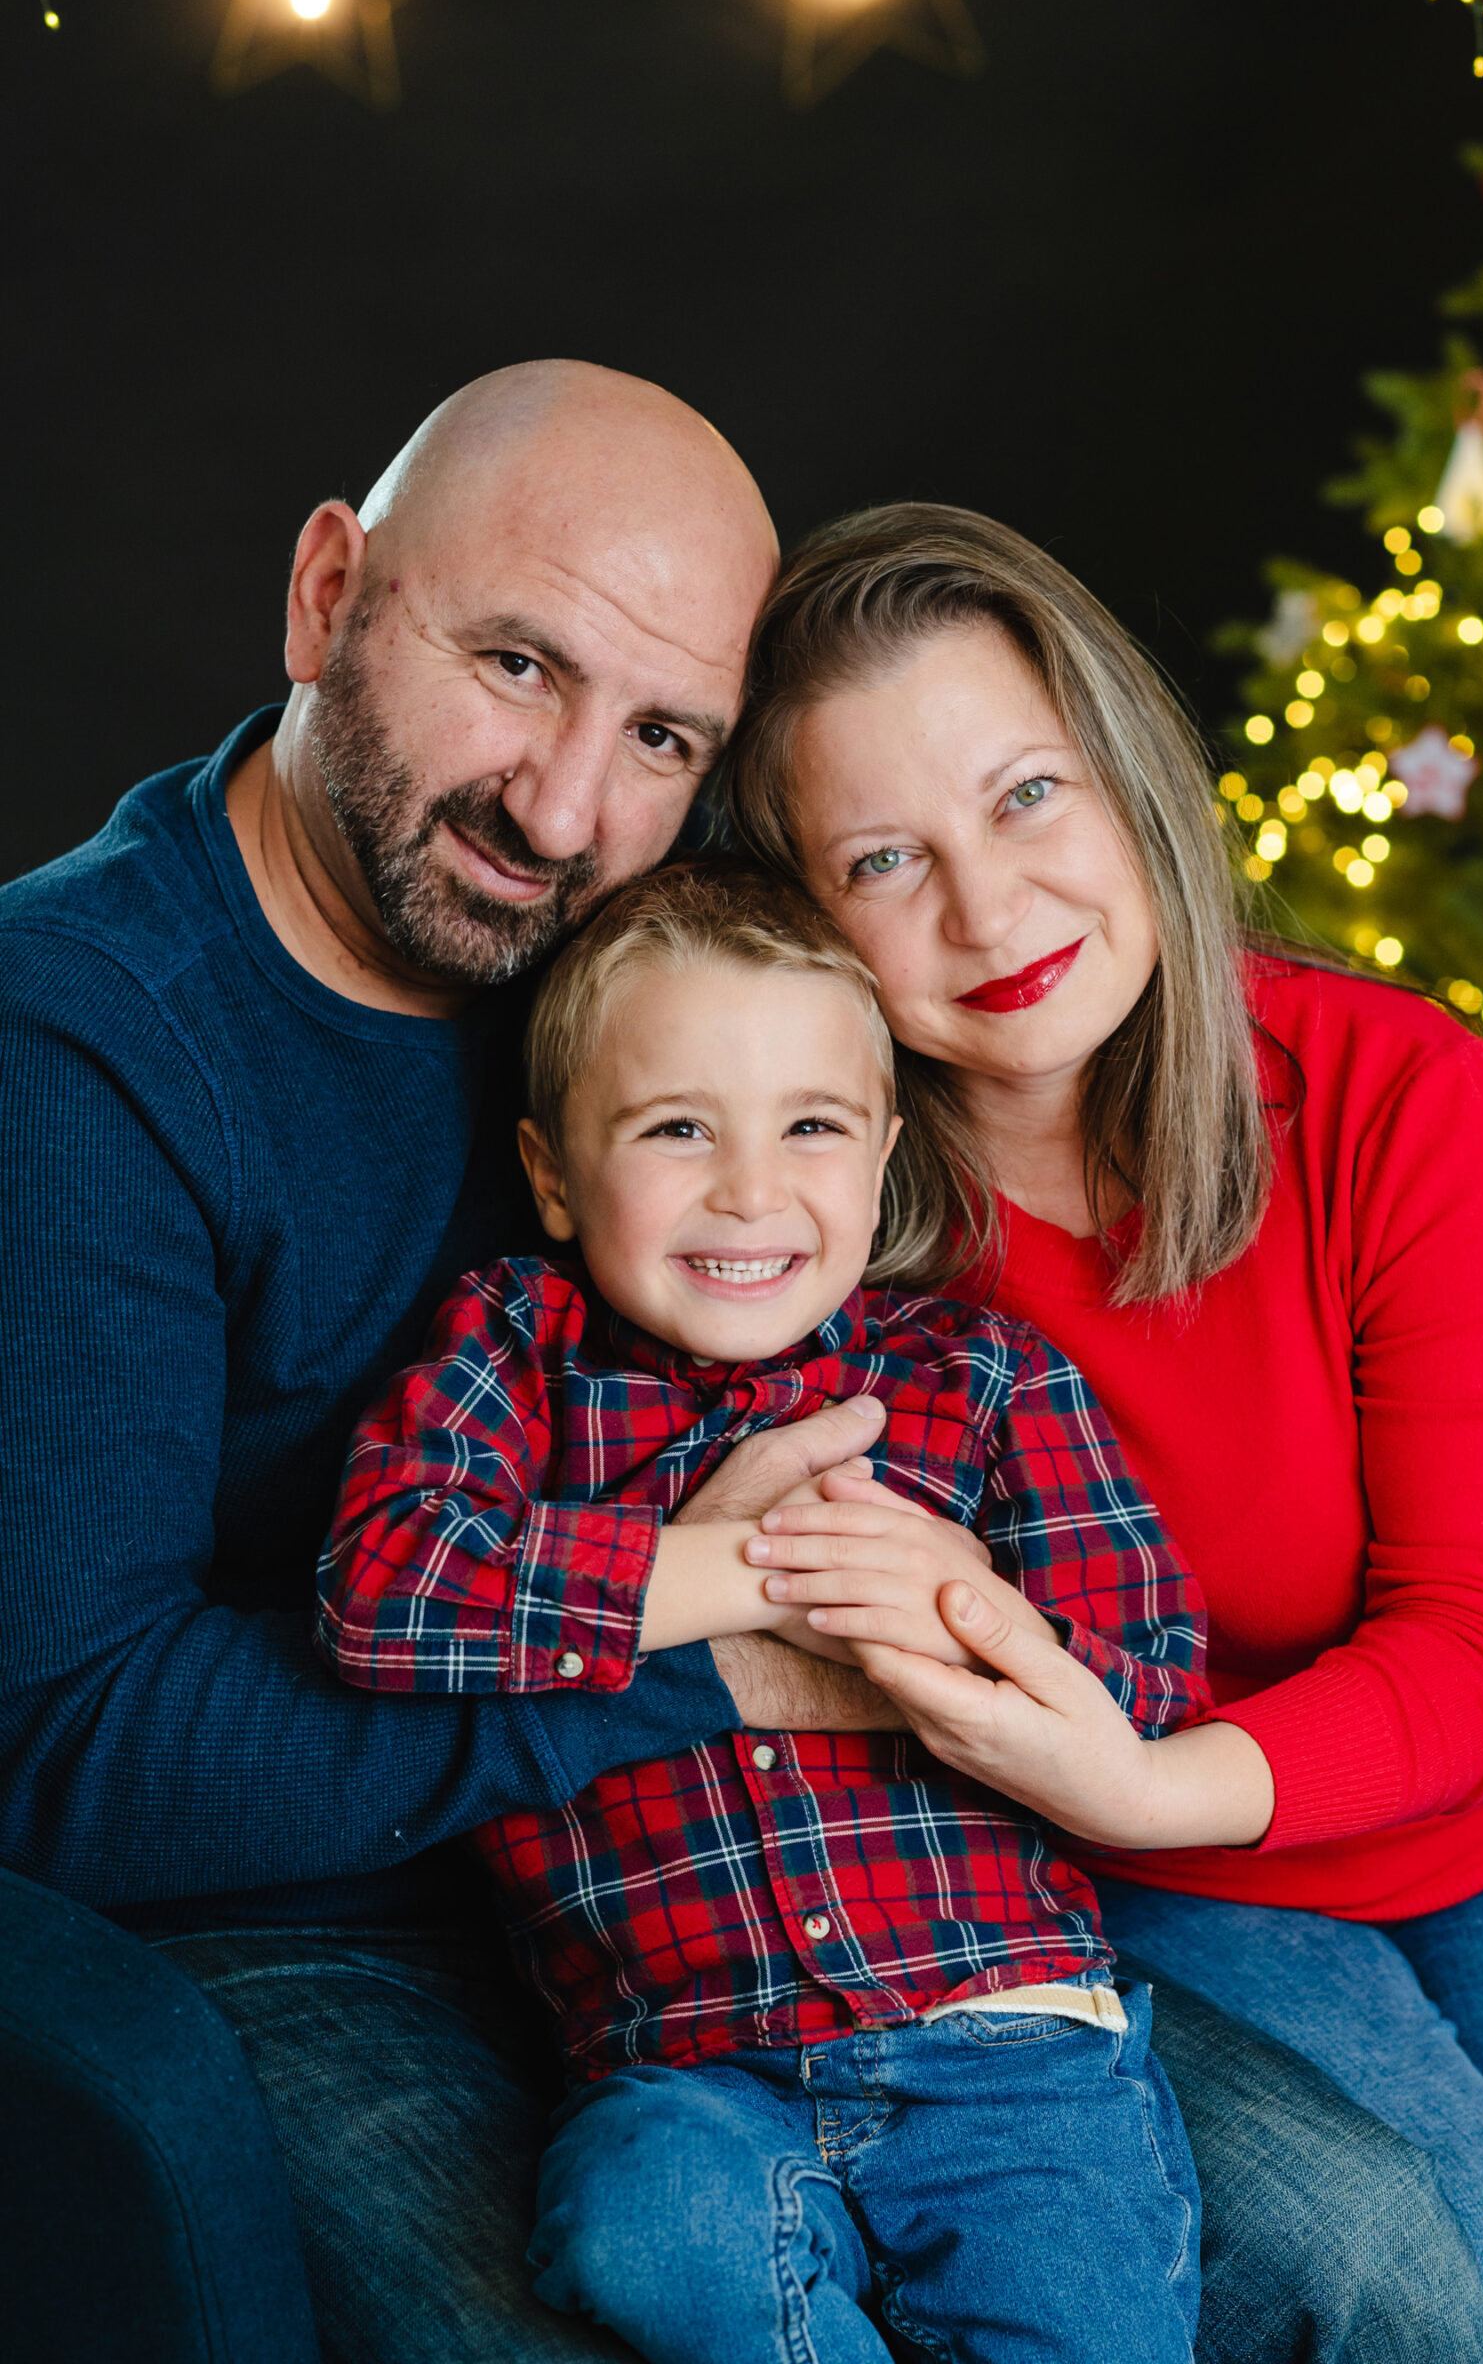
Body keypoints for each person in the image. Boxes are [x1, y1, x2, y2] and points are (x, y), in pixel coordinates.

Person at [0, 358, 1483, 2364]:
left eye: (659, 736)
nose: (561, 805)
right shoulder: (79, 1041)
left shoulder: (630, 934)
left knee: (1375, 2262)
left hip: (852, 1874)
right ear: (328, 592)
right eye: (513, 664)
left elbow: (973, 1199)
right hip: (318, 1916)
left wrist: (1466, 1473)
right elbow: (66, 1753)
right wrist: (716, 1642)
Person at [722, 498, 1483, 2364]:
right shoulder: (803, 1224)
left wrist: (1146, 1776)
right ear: (798, 914)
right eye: (883, 859)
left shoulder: (1399, 1094)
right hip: (1150, 1896)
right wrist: (1121, 1812)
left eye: (1029, 796)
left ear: (1128, 776)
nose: (991, 911)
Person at [316, 859, 1208, 2364]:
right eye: (678, 1129)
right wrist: (723, 1569)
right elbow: (385, 1590)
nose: (749, 1189)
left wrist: (966, 1613)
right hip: (687, 2070)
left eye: (812, 1127)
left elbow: (1156, 1691)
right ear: (553, 1173)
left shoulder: (982, 1380)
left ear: (883, 1159)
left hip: (1006, 2037)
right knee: (642, 2227)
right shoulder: (515, 1356)